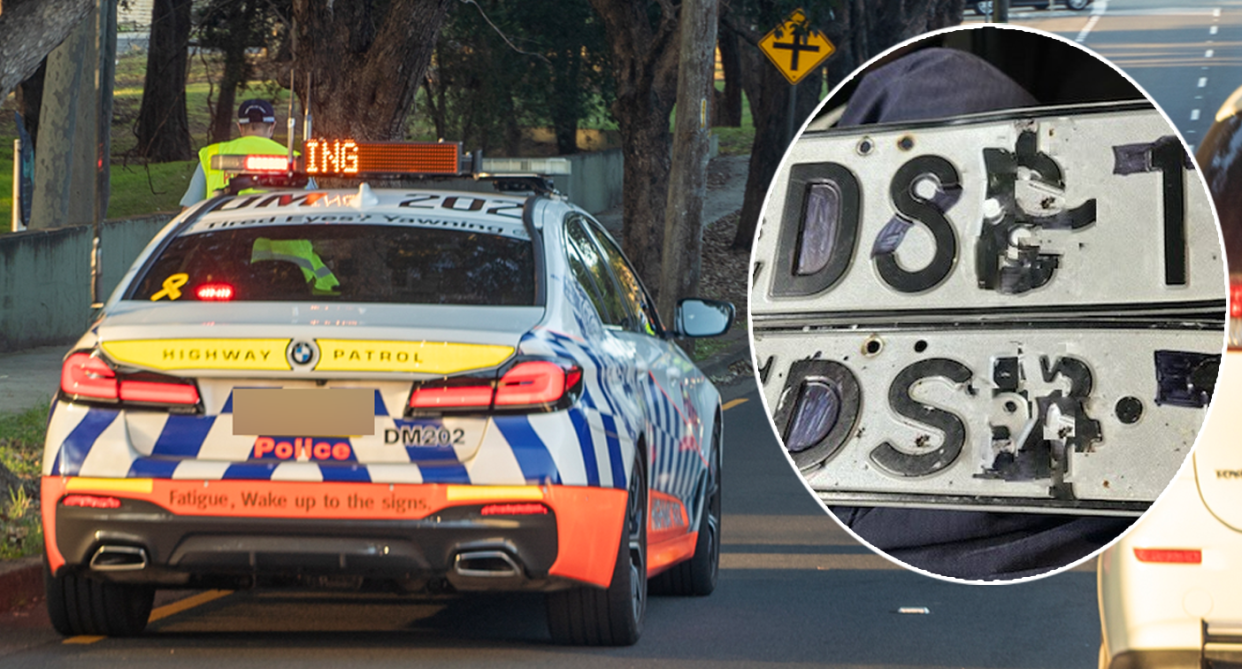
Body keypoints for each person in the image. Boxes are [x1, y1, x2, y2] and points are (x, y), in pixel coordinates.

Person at [180, 99, 288, 208]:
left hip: (220, 224)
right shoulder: (291, 159)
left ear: (240, 127)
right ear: (272, 126)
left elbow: (188, 211)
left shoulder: (213, 155)